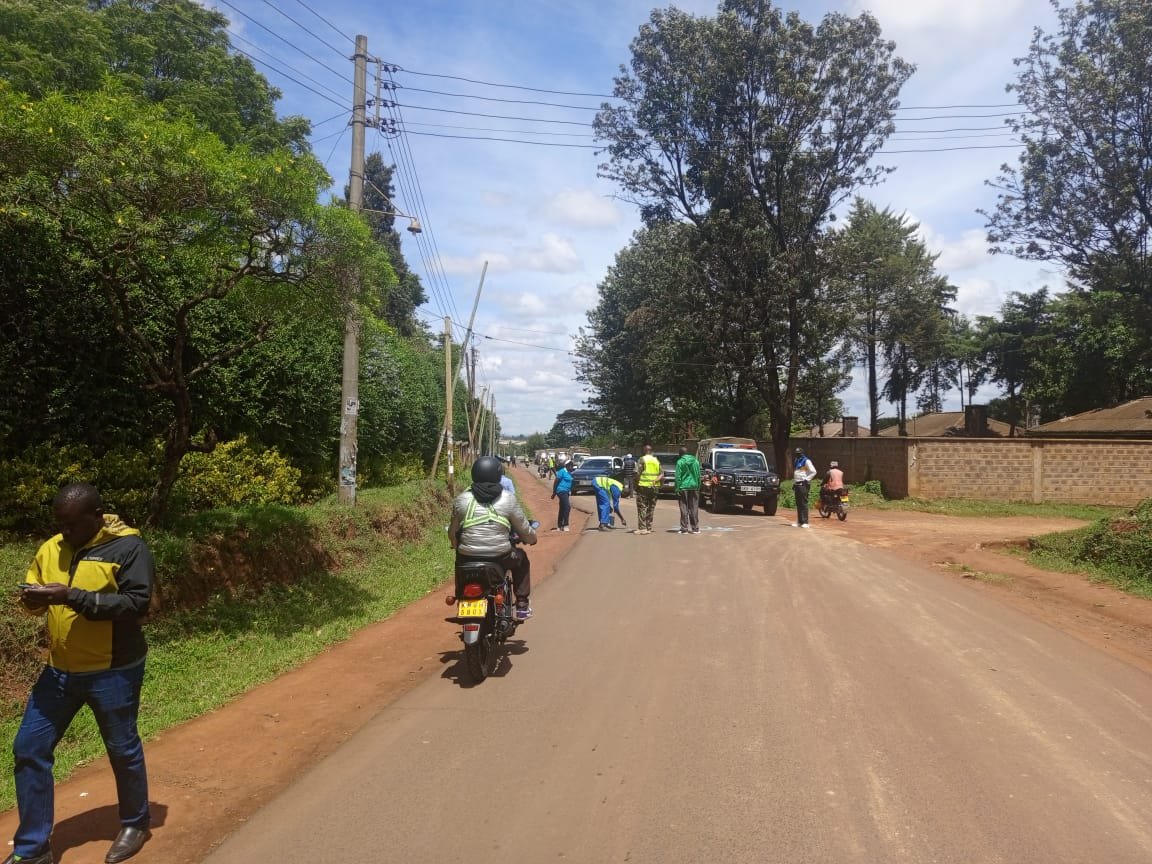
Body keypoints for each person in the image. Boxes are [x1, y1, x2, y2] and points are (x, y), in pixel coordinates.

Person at [11, 483, 154, 864]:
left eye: (72, 525)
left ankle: (136, 823)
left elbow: (136, 604)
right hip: (58, 671)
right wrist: (33, 600)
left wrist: (71, 596)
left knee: (121, 749)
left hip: (114, 670)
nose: (65, 532)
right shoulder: (51, 548)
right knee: (29, 748)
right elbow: (38, 597)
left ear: (96, 516)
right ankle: (33, 849)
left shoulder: (129, 548)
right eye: (60, 524)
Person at [449, 456, 538, 620]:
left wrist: (455, 545)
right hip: (500, 556)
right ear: (498, 475)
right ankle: (522, 605)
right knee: (522, 559)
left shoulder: (461, 499)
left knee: (459, 561)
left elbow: (453, 532)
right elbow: (523, 528)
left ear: (474, 474)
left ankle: (460, 595)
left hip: (467, 556)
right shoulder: (507, 498)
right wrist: (532, 539)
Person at [674, 446, 702, 534]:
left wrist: (677, 488)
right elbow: (698, 475)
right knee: (694, 507)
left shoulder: (680, 462)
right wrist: (698, 486)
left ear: (680, 454)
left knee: (684, 507)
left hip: (683, 487)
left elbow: (678, 477)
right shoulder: (696, 461)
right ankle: (695, 528)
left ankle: (684, 528)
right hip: (694, 486)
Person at [634, 444, 662, 535]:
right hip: (654, 487)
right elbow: (662, 474)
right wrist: (656, 481)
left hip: (643, 486)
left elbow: (637, 473)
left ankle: (642, 528)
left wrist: (636, 484)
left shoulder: (642, 459)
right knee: (651, 507)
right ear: (651, 451)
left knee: (642, 506)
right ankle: (649, 527)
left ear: (644, 451)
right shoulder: (656, 460)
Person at [791, 446, 817, 528]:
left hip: (803, 484)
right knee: (798, 503)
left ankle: (805, 522)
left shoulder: (806, 461)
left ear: (802, 453)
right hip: (797, 484)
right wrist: (795, 483)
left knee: (803, 503)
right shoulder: (796, 460)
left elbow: (813, 472)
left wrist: (806, 480)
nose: (797, 455)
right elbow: (797, 472)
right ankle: (799, 522)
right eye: (796, 453)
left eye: (799, 453)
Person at [551, 459, 574, 533]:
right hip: (561, 491)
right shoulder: (562, 471)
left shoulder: (570, 473)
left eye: (572, 465)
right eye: (570, 465)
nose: (572, 467)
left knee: (562, 508)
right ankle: (565, 525)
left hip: (566, 492)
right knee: (567, 507)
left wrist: (570, 491)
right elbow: (556, 482)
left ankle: (559, 525)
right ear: (567, 465)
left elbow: (570, 482)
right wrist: (554, 492)